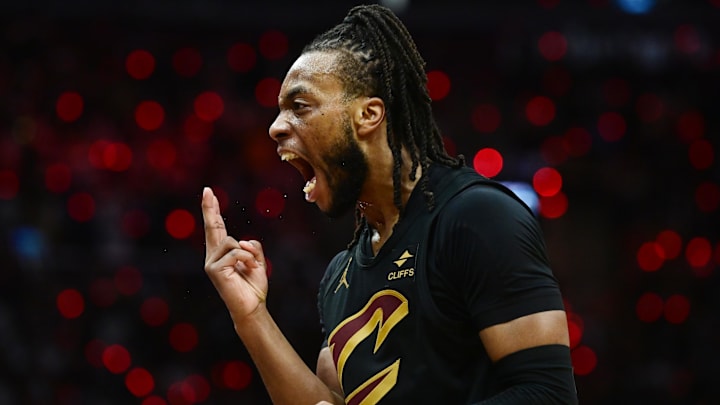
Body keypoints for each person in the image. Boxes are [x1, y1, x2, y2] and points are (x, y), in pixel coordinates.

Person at [201, 4, 578, 404]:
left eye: (300, 106)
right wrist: (251, 317)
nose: (275, 127)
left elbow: (549, 395)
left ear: (368, 115)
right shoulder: (338, 276)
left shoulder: (477, 218)